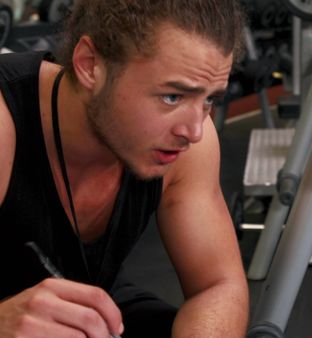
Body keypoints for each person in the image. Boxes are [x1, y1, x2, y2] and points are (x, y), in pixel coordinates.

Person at [0, 0, 248, 337]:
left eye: (208, 99)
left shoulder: (189, 143)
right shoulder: (4, 126)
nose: (194, 131)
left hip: (93, 303)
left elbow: (217, 285)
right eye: (173, 97)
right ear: (90, 65)